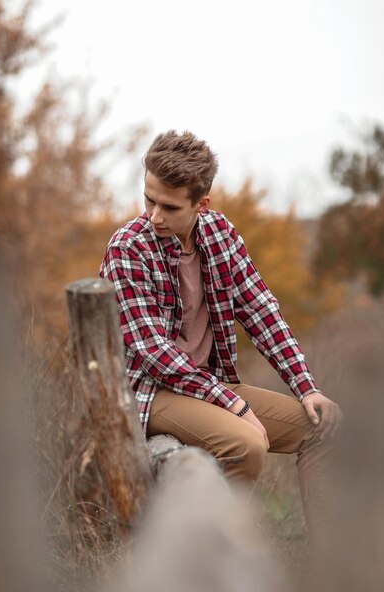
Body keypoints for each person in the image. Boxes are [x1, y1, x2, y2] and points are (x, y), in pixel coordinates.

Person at [99, 130, 343, 550]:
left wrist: (306, 387)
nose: (154, 216)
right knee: (245, 443)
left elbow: (261, 312)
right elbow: (153, 353)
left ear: (201, 205)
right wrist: (234, 405)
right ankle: (214, 558)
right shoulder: (128, 248)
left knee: (323, 428)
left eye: (169, 207)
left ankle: (334, 569)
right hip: (151, 392)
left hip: (208, 386)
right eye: (148, 200)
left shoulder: (220, 234)